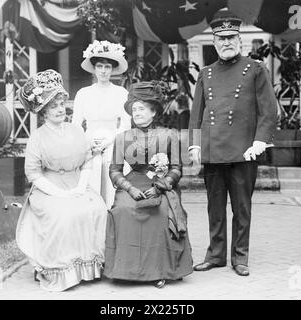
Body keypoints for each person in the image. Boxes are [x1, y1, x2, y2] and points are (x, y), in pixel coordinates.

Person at [188, 10, 277, 276]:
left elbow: (268, 111)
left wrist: (260, 141)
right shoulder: (206, 73)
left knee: (242, 208)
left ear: (239, 40)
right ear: (214, 43)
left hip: (244, 152)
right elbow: (196, 114)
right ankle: (215, 256)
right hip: (213, 150)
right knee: (214, 208)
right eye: (221, 38)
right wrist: (195, 145)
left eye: (231, 37)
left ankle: (240, 257)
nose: (226, 42)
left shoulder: (256, 69)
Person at [16, 69, 108, 292]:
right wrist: (61, 193)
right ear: (43, 112)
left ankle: (90, 268)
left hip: (76, 183)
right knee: (63, 214)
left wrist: (79, 187)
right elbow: (34, 174)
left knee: (98, 208)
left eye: (60, 105)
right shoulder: (37, 137)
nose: (59, 110)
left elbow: (86, 160)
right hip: (49, 188)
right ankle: (62, 271)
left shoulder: (76, 130)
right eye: (52, 107)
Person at [104, 81, 193, 288]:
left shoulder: (169, 135)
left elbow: (177, 168)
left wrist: (160, 187)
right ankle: (124, 270)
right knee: (123, 210)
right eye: (134, 110)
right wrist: (130, 189)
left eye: (142, 109)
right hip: (133, 183)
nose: (137, 113)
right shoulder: (122, 138)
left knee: (160, 212)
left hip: (160, 185)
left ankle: (159, 271)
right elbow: (114, 171)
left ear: (153, 112)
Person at [72, 40, 131, 209]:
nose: (103, 71)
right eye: (99, 66)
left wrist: (109, 141)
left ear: (112, 69)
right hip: (89, 142)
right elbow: (76, 124)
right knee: (89, 182)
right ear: (94, 68)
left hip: (113, 141)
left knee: (112, 184)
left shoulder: (121, 93)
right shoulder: (83, 93)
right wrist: (87, 143)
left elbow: (126, 124)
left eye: (107, 67)